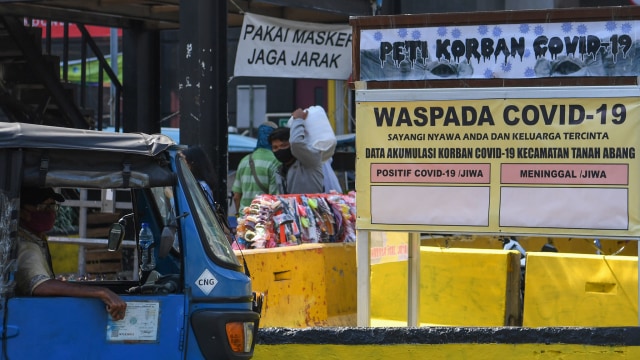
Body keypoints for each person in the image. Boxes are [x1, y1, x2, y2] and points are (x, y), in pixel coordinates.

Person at [16, 187, 127, 321]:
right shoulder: (26, 245)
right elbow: (40, 286)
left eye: (52, 206)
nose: (51, 212)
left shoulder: (36, 238)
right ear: (22, 212)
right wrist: (102, 292)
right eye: (43, 208)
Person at [269, 108, 324, 194]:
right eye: (275, 147)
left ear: (291, 145)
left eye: (284, 145)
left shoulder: (309, 161)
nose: (279, 150)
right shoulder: (279, 171)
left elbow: (296, 143)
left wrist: (298, 119)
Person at [232, 121, 280, 211]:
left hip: (245, 219)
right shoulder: (276, 161)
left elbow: (236, 196)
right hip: (263, 219)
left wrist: (239, 215)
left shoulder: (244, 161)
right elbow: (274, 198)